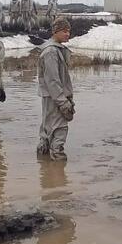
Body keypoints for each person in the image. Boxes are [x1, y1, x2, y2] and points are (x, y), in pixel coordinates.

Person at [37, 18, 74, 160]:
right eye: (64, 31)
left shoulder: (55, 50)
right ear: (55, 32)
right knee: (59, 127)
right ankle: (58, 162)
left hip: (52, 96)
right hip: (55, 97)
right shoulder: (51, 52)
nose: (67, 34)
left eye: (68, 31)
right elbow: (52, 80)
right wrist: (63, 102)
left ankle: (44, 163)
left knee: (48, 126)